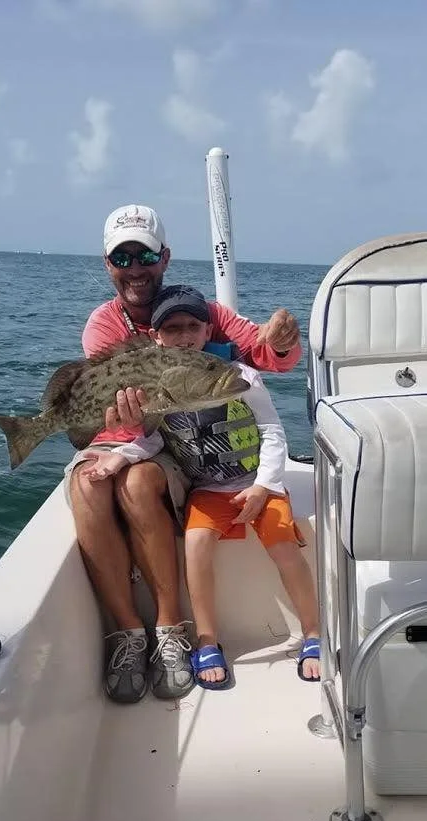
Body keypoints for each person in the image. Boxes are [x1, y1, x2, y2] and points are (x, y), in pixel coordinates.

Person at [65, 205, 305, 705]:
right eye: (122, 257)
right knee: (88, 485)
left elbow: (259, 358)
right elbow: (99, 404)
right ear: (107, 264)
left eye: (146, 254)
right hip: (129, 434)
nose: (135, 268)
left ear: (165, 257)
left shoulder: (203, 312)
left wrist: (281, 341)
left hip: (175, 444)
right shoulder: (103, 325)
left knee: (136, 484)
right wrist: (121, 424)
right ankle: (127, 635)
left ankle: (171, 630)